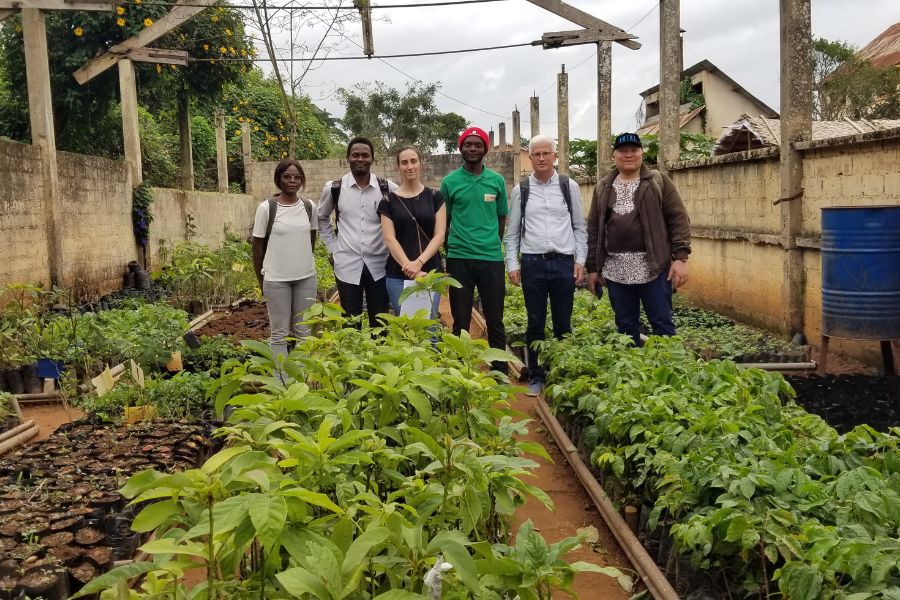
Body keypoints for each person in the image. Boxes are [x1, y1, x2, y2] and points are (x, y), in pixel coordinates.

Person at [585, 132, 691, 346]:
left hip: (653, 266)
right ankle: (632, 375)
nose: (628, 155)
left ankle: (669, 373)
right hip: (616, 270)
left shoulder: (658, 182)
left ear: (642, 153)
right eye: (623, 151)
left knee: (662, 324)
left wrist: (680, 258)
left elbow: (678, 219)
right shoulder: (603, 187)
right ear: (614, 156)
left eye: (633, 150)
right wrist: (593, 269)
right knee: (625, 327)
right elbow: (594, 229)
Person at [505, 135, 587, 396]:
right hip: (533, 263)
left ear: (555, 156)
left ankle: (563, 374)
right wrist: (512, 264)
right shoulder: (522, 190)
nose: (541, 158)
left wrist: (580, 260)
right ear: (530, 158)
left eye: (546, 154)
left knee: (564, 322)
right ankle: (537, 377)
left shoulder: (568, 186)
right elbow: (512, 232)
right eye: (536, 154)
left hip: (563, 262)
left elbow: (579, 228)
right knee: (535, 322)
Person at [440, 126, 509, 373]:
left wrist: (491, 242)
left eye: (478, 145)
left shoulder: (497, 181)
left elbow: (501, 217)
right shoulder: (449, 182)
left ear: (485, 150)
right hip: (459, 258)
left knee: (495, 318)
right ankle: (459, 370)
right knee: (460, 318)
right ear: (461, 148)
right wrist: (452, 247)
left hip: (490, 258)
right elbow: (443, 220)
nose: (472, 148)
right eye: (468, 144)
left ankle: (499, 371)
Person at [317, 137, 398, 328]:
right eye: (355, 155)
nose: (360, 159)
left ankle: (379, 356)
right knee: (349, 323)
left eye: (365, 155)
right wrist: (332, 249)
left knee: (380, 323)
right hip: (346, 264)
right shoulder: (334, 189)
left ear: (372, 159)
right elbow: (321, 218)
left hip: (379, 265)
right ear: (348, 158)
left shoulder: (387, 188)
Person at [251, 158, 318, 361]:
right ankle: (281, 382)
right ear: (278, 179)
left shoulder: (309, 207)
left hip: (306, 278)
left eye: (297, 177)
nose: (292, 181)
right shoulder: (266, 208)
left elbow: (311, 240)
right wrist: (262, 280)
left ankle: (303, 379)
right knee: (279, 333)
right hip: (276, 280)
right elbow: (257, 248)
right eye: (287, 176)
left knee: (304, 332)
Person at [378, 145, 447, 319]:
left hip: (430, 273)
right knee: (405, 329)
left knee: (429, 328)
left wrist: (419, 262)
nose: (410, 166)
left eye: (413, 161)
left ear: (420, 164)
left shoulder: (435, 197)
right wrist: (413, 270)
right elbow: (389, 239)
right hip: (398, 275)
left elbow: (439, 236)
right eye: (404, 162)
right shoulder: (388, 201)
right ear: (398, 167)